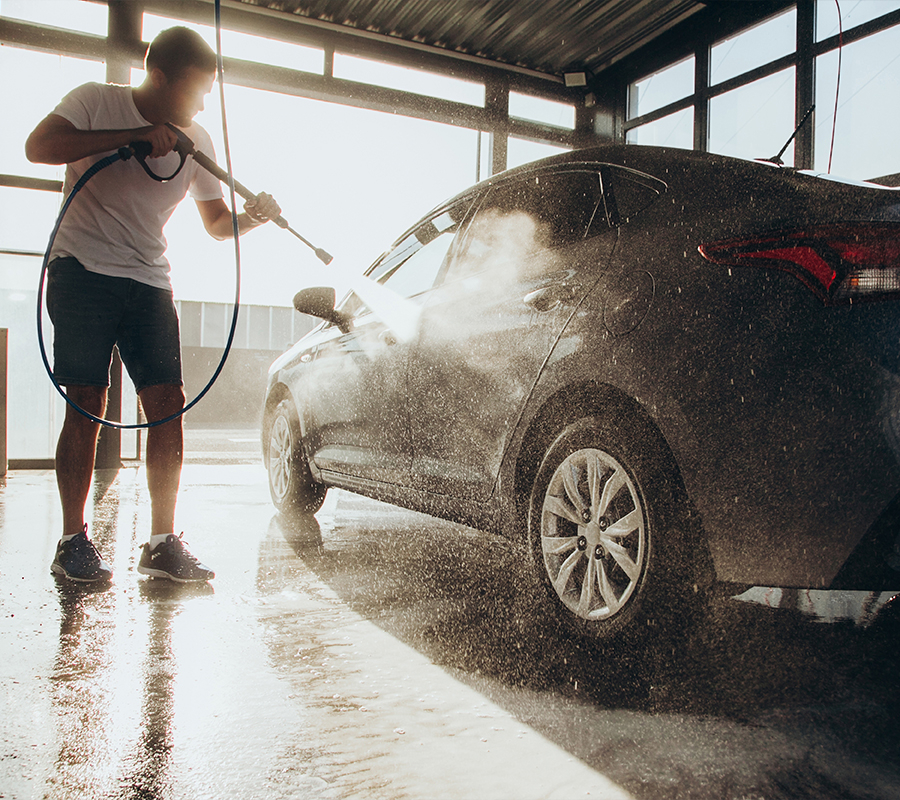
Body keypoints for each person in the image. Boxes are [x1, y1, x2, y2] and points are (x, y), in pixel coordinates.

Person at [25, 26, 282, 584]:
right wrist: (136, 134)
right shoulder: (95, 100)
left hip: (149, 280)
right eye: (195, 89)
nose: (202, 101)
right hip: (82, 268)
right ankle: (73, 541)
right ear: (159, 78)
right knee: (87, 398)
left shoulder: (198, 140)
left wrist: (252, 219)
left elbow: (216, 224)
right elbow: (38, 147)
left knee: (167, 402)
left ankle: (162, 544)